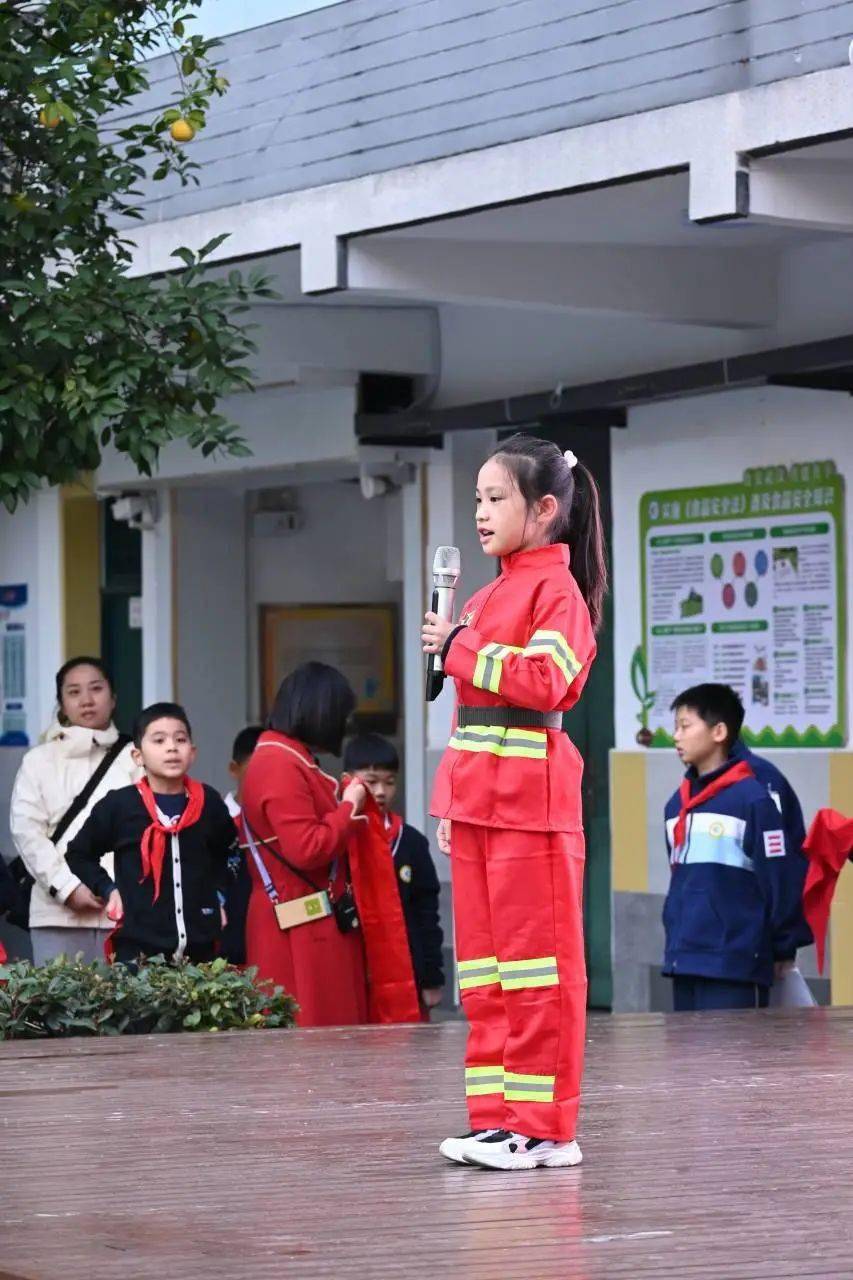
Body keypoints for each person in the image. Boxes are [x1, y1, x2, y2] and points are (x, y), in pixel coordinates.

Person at [422, 434, 605, 1171]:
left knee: (537, 972)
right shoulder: (485, 592)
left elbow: (547, 681)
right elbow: (470, 714)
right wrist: (447, 804)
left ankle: (545, 1128)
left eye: (496, 498)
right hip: (478, 804)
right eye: (477, 499)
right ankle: (496, 1119)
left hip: (531, 804)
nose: (481, 512)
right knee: (486, 973)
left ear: (546, 509)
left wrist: (461, 647)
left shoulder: (555, 591)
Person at [663, 684, 810, 1012]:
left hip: (735, 962)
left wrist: (784, 946)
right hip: (684, 959)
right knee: (687, 1063)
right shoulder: (676, 805)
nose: (676, 736)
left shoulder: (754, 797)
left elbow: (779, 880)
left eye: (685, 726)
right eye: (676, 727)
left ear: (719, 731)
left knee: (733, 1062)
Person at [240, 662, 370, 1027]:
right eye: (342, 714)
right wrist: (349, 807)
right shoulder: (278, 763)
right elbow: (308, 848)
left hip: (304, 912)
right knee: (309, 1043)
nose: (345, 725)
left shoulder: (284, 756)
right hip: (297, 918)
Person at [64, 703, 236, 966]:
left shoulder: (208, 802)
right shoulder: (120, 806)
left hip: (201, 955)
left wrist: (219, 897)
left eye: (180, 739)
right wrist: (108, 889)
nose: (171, 747)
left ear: (192, 752)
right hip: (139, 955)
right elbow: (78, 853)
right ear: (138, 756)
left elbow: (230, 852)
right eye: (159, 740)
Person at [10, 657, 138, 965]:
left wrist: (114, 889)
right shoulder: (38, 760)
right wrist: (67, 888)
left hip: (125, 916)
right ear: (61, 704)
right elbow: (27, 832)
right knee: (59, 1010)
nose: (87, 700)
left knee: (126, 1011)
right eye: (74, 692)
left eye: (96, 688)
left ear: (113, 698)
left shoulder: (136, 757)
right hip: (56, 915)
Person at [343, 732, 445, 1013]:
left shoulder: (410, 841)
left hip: (406, 969)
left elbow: (427, 914)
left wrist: (432, 977)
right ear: (348, 780)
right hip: (353, 968)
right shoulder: (340, 837)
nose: (380, 792)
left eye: (389, 783)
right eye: (371, 782)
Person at [220, 725, 263, 965]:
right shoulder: (215, 821)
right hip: (225, 954)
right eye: (256, 771)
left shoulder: (283, 825)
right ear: (234, 769)